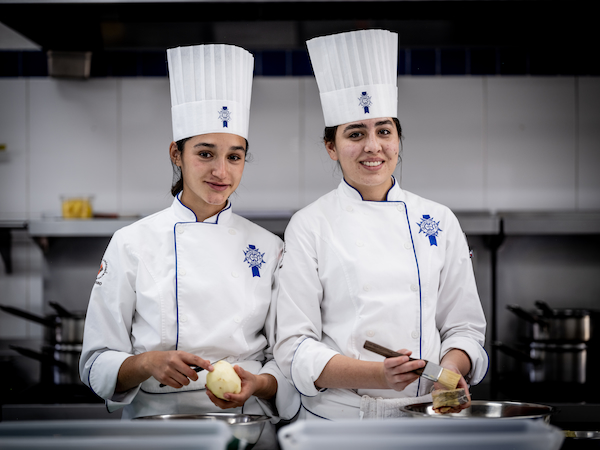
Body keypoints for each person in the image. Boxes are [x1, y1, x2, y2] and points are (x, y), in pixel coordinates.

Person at [79, 43, 299, 446]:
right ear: (176, 155)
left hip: (246, 429)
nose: (221, 170)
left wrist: (261, 383)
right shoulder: (132, 243)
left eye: (235, 157)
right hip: (156, 426)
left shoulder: (269, 248)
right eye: (204, 154)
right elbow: (95, 362)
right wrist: (146, 363)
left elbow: (286, 360)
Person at [274, 29, 488, 420]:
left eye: (384, 131)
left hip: (427, 418)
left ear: (398, 140)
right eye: (355, 134)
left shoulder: (438, 221)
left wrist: (452, 369)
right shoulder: (310, 225)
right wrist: (377, 375)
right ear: (331, 147)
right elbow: (294, 347)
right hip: (338, 426)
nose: (373, 146)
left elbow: (464, 329)